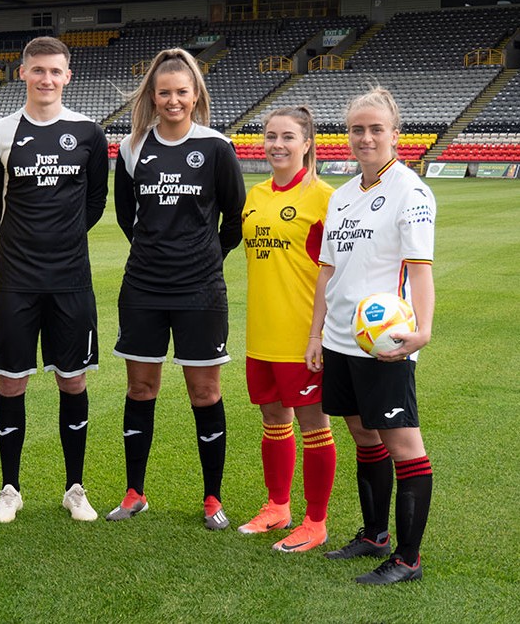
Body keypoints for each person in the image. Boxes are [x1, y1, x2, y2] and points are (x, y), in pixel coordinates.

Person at [107, 48, 246, 530]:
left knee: (205, 392)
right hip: (144, 286)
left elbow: (235, 217)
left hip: (200, 290)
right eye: (163, 92)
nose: (172, 100)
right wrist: (156, 253)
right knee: (140, 387)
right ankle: (134, 492)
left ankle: (212, 499)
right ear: (152, 95)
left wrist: (205, 257)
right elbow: (128, 216)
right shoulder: (132, 148)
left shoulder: (215, 147)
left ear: (195, 95)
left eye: (181, 92)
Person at [305, 87, 436, 584]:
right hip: (340, 340)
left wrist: (422, 331)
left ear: (395, 135)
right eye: (357, 129)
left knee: (403, 443)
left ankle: (408, 559)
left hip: (385, 344)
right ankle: (374, 534)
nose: (365, 137)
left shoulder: (411, 191)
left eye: (375, 128)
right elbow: (327, 272)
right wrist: (316, 334)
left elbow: (421, 271)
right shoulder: (341, 195)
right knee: (362, 431)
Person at [0, 36, 109, 523]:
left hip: (70, 279)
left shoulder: (89, 133)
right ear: (22, 73)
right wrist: (29, 242)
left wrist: (61, 240)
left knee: (72, 380)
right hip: (15, 278)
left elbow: (94, 203)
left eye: (55, 71)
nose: (46, 79)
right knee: (11, 383)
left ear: (67, 76)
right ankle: (10, 488)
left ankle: (75, 488)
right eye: (38, 70)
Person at [239, 106, 337, 552]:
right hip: (261, 331)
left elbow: (334, 271)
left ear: (307, 143)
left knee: (313, 424)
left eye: (288, 137)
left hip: (303, 334)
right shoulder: (255, 194)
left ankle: (316, 521)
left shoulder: (325, 198)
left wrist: (319, 333)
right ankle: (278, 506)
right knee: (273, 420)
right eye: (271, 136)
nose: (277, 144)